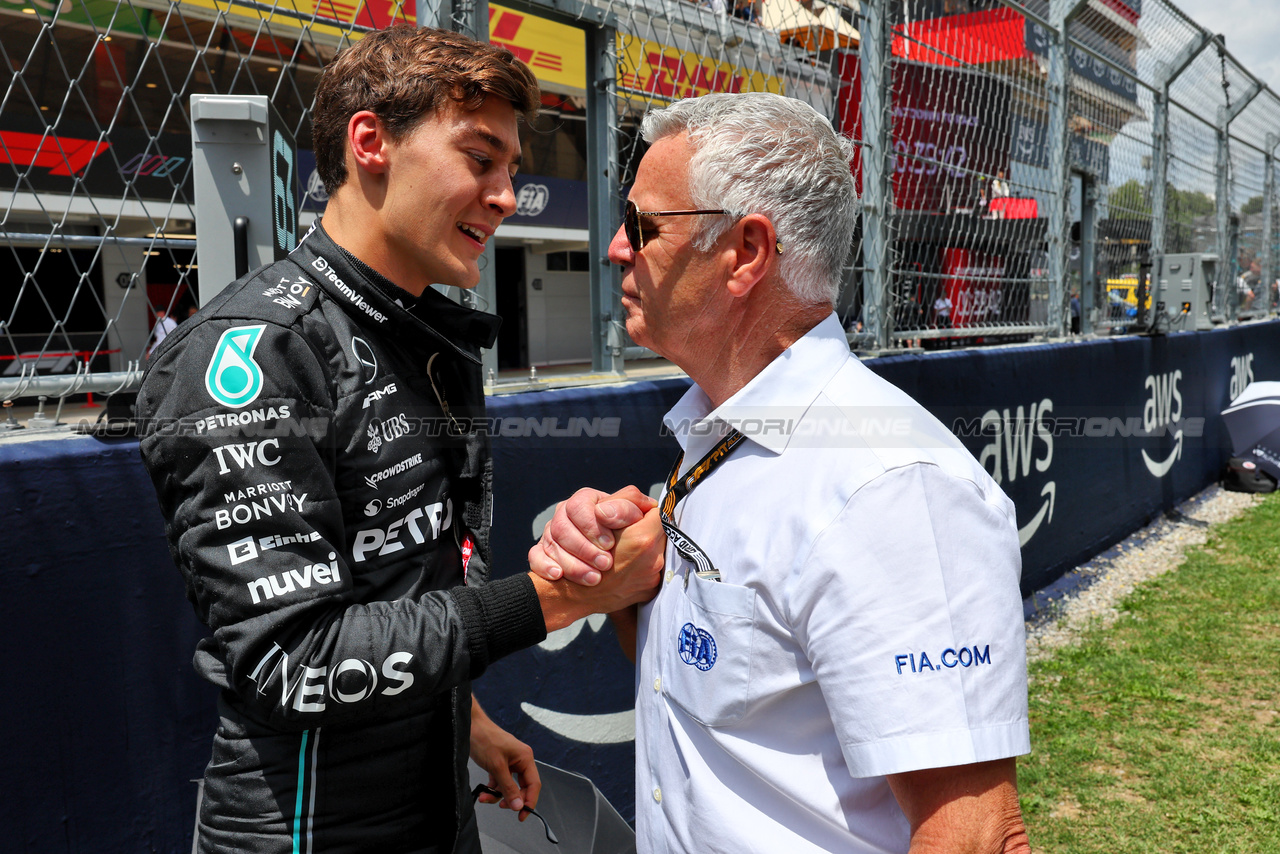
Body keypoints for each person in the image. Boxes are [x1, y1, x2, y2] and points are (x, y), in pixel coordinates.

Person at [136, 26, 663, 854]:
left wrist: (464, 719)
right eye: (479, 158)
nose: (504, 195)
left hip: (432, 808)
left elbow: (398, 588)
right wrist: (566, 597)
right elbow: (294, 660)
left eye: (511, 170)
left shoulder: (424, 334)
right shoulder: (252, 356)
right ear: (371, 142)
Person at [534, 93, 1031, 853]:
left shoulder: (891, 488)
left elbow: (974, 834)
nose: (615, 248)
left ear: (745, 253)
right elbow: (719, 684)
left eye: (642, 225)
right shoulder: (720, 433)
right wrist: (617, 583)